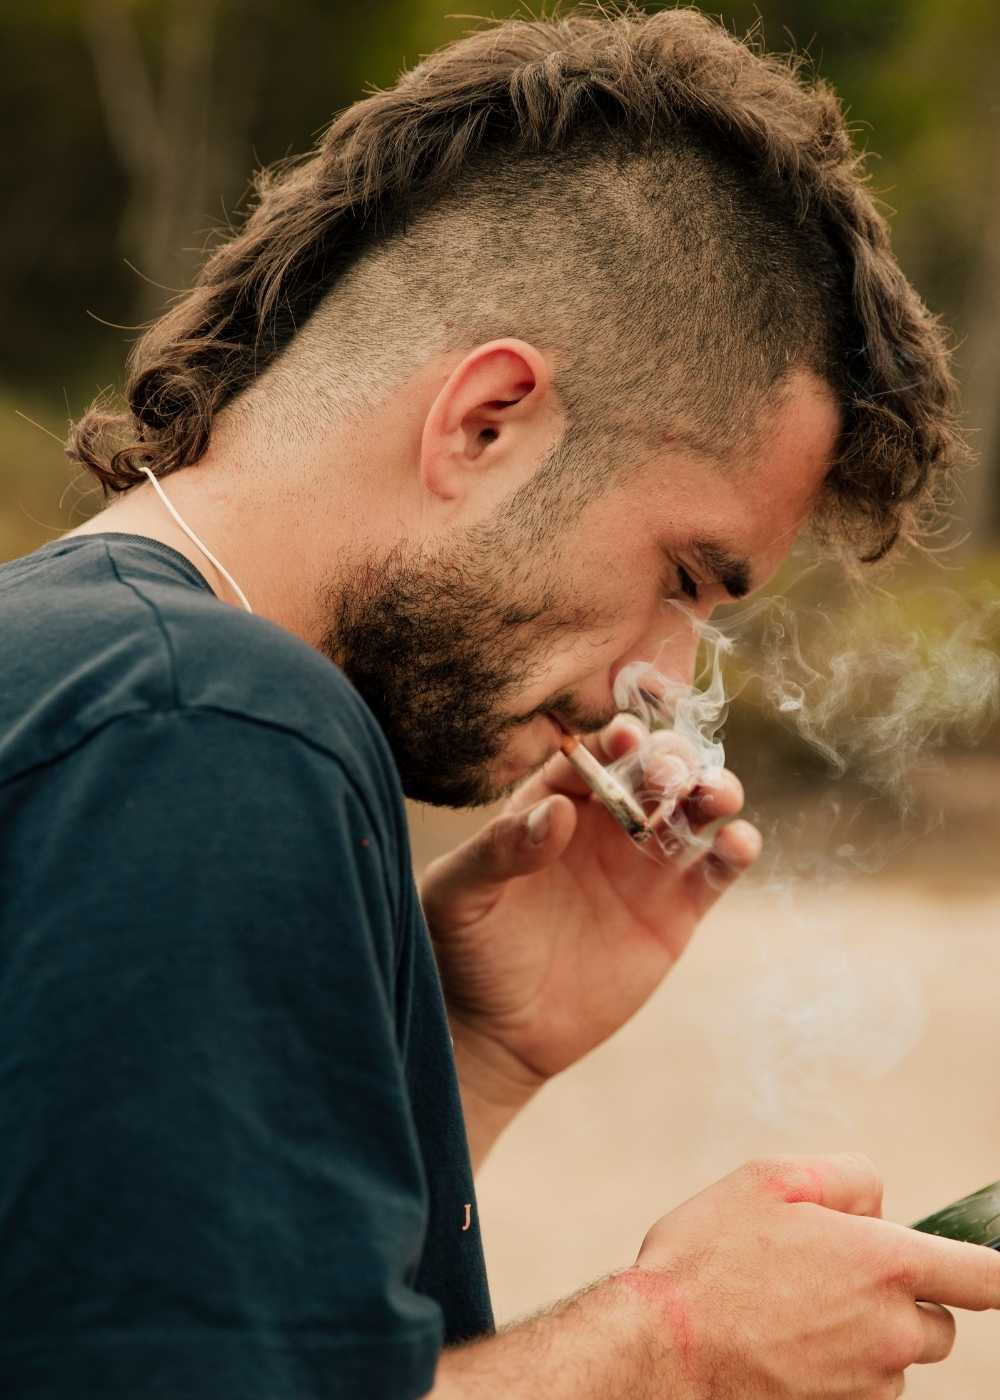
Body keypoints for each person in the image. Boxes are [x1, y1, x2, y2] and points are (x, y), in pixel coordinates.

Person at [1, 4, 996, 1398]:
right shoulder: (211, 723)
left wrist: (470, 1051)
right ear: (486, 422)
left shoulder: (82, 668)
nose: (662, 679)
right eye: (685, 576)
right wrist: (681, 1340)